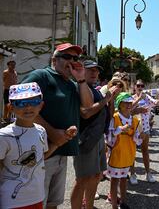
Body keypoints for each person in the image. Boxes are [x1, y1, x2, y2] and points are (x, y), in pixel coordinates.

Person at [21, 42, 93, 209]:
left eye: (76, 58)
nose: (73, 61)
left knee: (54, 202)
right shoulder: (41, 76)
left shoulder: (71, 83)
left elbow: (88, 105)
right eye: (67, 56)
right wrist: (53, 133)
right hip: (41, 153)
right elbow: (22, 107)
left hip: (61, 152)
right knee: (37, 202)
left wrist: (81, 78)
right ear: (54, 60)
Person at [0, 83, 60, 209]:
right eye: (20, 103)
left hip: (37, 197)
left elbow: (40, 157)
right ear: (11, 107)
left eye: (34, 101)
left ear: (41, 105)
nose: (28, 107)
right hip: (11, 201)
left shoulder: (41, 131)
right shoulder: (4, 136)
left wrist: (57, 144)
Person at [71, 60, 122, 209]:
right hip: (86, 141)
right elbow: (85, 113)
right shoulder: (80, 88)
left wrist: (109, 100)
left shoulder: (94, 89)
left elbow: (108, 114)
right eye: (90, 70)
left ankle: (89, 206)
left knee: (95, 176)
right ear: (82, 72)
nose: (95, 73)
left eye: (96, 70)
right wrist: (106, 99)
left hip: (98, 138)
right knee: (82, 179)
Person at [107, 92, 143, 209]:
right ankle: (114, 205)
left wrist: (138, 137)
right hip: (117, 154)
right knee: (114, 180)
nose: (128, 105)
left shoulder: (135, 120)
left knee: (123, 179)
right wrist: (119, 130)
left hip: (128, 154)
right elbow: (109, 136)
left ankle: (123, 201)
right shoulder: (115, 117)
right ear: (120, 104)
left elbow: (137, 140)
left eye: (129, 102)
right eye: (125, 102)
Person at [129, 79, 159, 184]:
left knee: (145, 151)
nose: (140, 87)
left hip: (145, 128)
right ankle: (132, 174)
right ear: (135, 87)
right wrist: (138, 103)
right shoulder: (131, 98)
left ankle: (148, 173)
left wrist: (157, 97)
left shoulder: (147, 98)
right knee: (132, 152)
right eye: (138, 86)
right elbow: (128, 110)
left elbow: (156, 103)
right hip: (134, 128)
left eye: (142, 85)